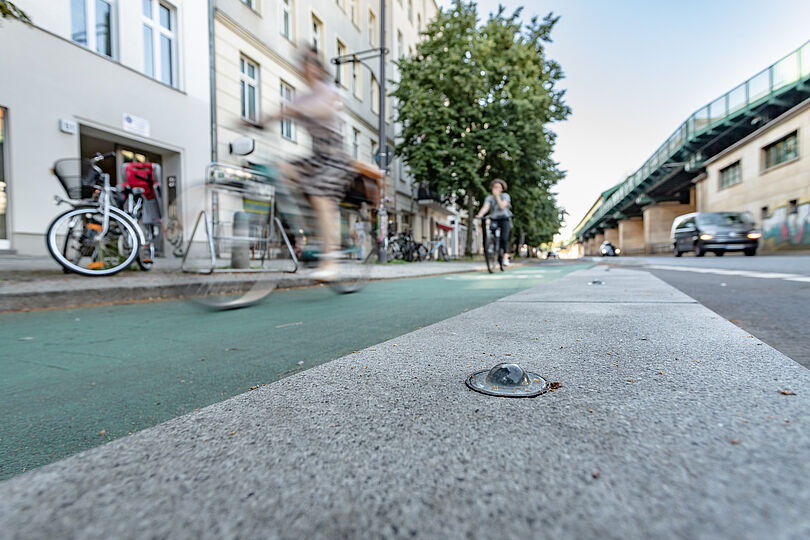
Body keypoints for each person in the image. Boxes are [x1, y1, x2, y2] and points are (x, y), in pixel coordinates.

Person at [263, 47, 351, 281]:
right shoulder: (301, 97)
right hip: (315, 155)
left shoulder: (330, 91)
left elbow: (324, 108)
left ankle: (331, 259)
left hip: (334, 156)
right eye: (303, 62)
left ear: (319, 68)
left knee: (321, 194)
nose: (306, 66)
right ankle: (307, 225)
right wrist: (256, 121)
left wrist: (295, 110)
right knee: (280, 169)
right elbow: (279, 114)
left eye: (311, 62)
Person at [475, 179, 512, 266]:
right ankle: (493, 247)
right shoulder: (489, 198)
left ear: (502, 189)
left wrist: (497, 197)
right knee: (491, 232)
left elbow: (502, 206)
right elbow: (485, 207)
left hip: (504, 218)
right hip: (494, 218)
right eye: (495, 187)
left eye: (499, 187)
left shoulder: (505, 196)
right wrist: (480, 214)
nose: (497, 189)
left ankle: (505, 257)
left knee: (504, 238)